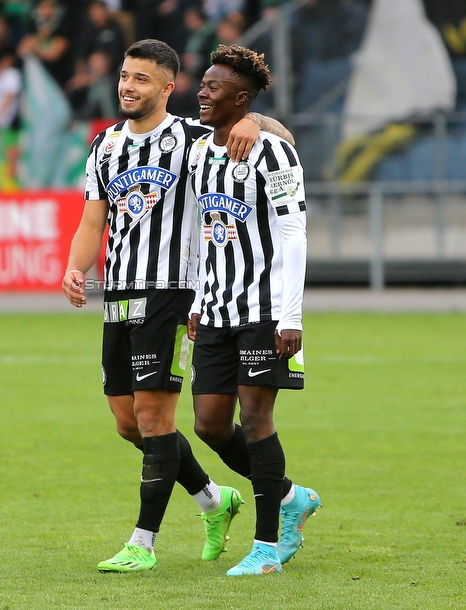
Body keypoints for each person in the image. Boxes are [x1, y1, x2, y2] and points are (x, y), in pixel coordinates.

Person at [62, 39, 294, 572]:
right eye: (124, 75)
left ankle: (142, 544)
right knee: (128, 423)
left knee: (154, 414)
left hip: (172, 294)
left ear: (169, 88)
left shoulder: (193, 137)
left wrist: (254, 122)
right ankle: (219, 499)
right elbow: (92, 221)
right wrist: (78, 268)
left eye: (141, 78)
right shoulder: (105, 145)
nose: (127, 85)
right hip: (118, 294)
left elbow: (281, 140)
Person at [187, 44, 319, 576]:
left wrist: (291, 316)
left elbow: (293, 232)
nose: (202, 91)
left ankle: (267, 548)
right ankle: (290, 497)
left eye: (213, 87)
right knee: (209, 424)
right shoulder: (199, 152)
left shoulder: (274, 153)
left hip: (265, 309)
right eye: (202, 83)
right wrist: (198, 299)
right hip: (215, 308)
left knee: (256, 417)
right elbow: (204, 235)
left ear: (240, 98)